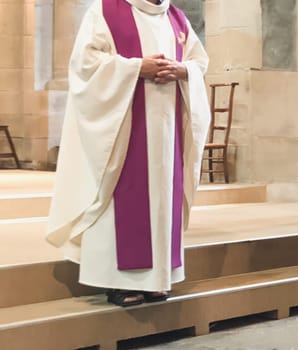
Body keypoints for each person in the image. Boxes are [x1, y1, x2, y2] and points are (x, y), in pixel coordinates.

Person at [46, 0, 211, 306]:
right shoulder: (106, 10)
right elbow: (85, 64)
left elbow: (199, 62)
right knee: (123, 191)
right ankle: (119, 282)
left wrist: (182, 70)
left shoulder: (176, 18)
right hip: (122, 127)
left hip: (167, 131)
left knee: (162, 199)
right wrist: (136, 67)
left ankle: (158, 278)